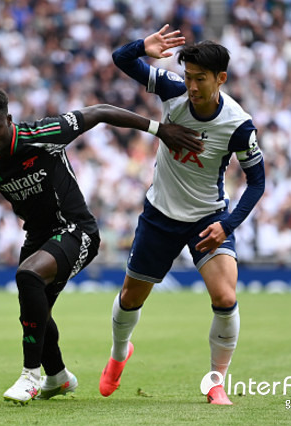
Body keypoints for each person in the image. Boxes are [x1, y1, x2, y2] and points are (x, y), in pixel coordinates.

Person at [0, 86, 203, 405]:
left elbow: (98, 112)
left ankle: (30, 375)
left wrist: (159, 129)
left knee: (28, 276)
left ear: (9, 120)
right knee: (34, 310)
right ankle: (57, 377)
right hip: (38, 237)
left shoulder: (43, 133)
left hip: (76, 230)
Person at [99, 25, 265, 405]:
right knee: (130, 297)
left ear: (221, 79)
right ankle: (119, 354)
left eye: (200, 79)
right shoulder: (172, 90)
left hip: (208, 218)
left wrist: (226, 225)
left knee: (225, 297)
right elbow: (121, 59)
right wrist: (144, 46)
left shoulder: (239, 125)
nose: (191, 86)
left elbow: (257, 182)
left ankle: (216, 383)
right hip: (160, 214)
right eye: (188, 77)